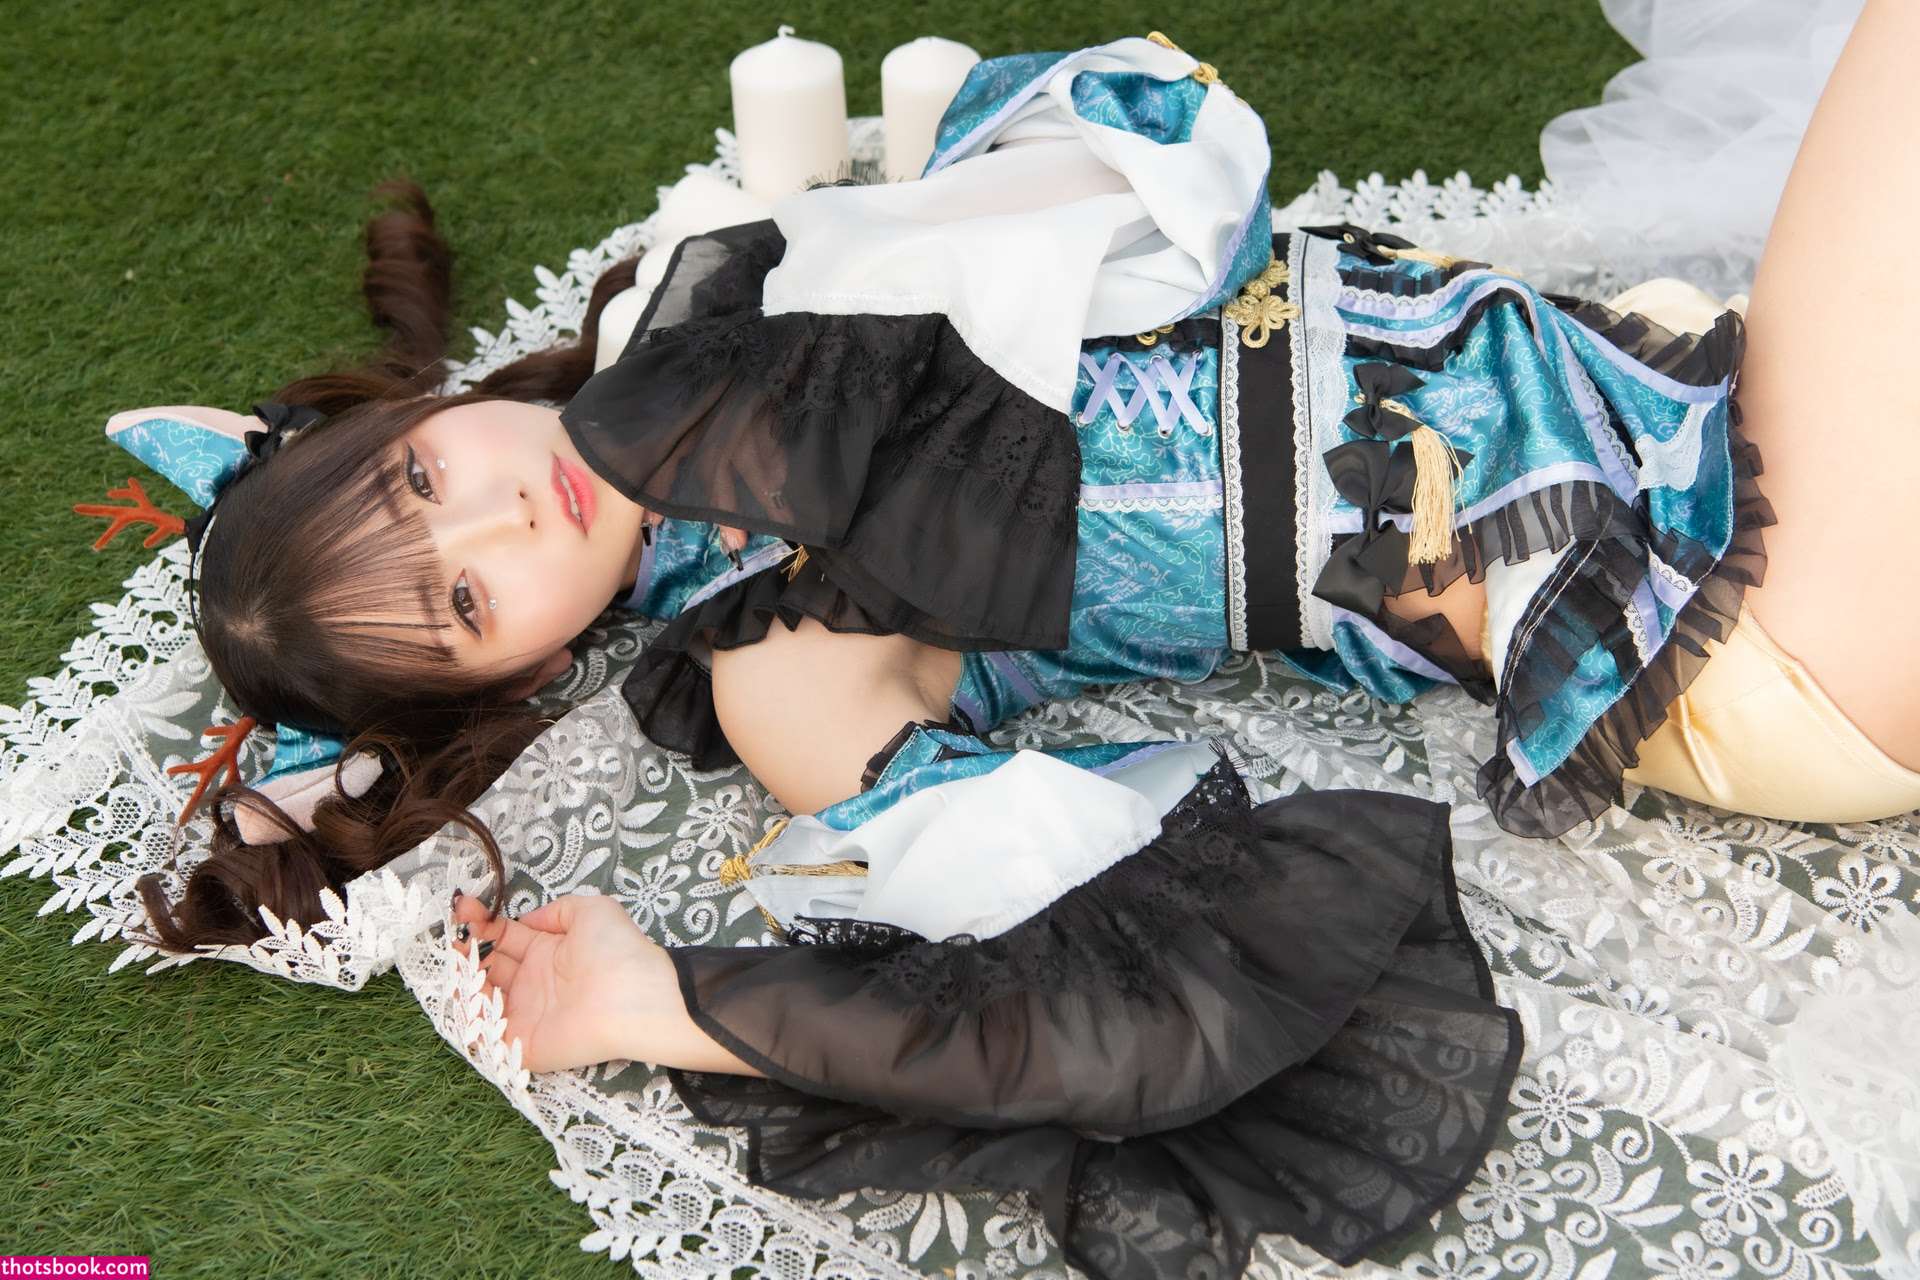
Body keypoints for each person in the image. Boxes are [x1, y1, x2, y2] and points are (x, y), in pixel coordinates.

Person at [83, 9, 1919, 1274]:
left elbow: (1183, 149)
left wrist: (844, 261)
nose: (505, 517)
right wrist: (666, 1008)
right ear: (512, 675)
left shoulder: (743, 301)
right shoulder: (779, 656)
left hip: (1702, 405)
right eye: (468, 604)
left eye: (424, 482)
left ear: (423, 414)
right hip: (1735, 619)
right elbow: (1125, 1010)